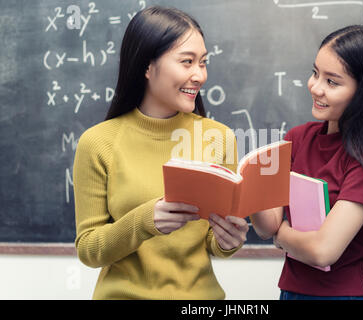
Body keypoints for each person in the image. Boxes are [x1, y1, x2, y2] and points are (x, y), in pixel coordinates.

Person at [73, 6, 248, 300]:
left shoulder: (219, 137)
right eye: (187, 62)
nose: (199, 75)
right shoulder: (98, 142)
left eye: (203, 63)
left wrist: (228, 240)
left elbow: (211, 243)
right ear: (147, 66)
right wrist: (144, 221)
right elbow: (90, 250)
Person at [250, 25, 363, 300]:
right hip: (290, 291)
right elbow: (266, 227)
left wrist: (282, 236)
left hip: (344, 295)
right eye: (315, 73)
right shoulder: (297, 138)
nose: (315, 87)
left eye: (332, 82)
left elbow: (323, 250)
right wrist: (250, 189)